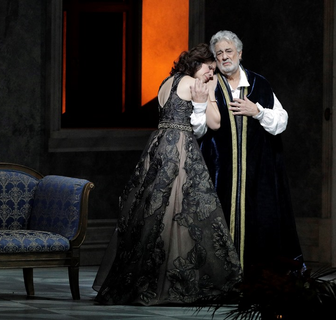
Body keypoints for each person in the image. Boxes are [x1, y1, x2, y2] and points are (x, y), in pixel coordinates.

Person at [93, 43, 242, 306]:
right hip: (180, 149)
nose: (211, 75)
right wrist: (207, 96)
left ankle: (147, 280)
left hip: (159, 147)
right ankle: (174, 283)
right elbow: (210, 125)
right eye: (209, 68)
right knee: (185, 213)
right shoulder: (194, 84)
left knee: (156, 214)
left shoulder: (167, 82)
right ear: (198, 64)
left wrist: (206, 94)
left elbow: (191, 118)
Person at [197, 30, 304, 273]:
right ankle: (221, 279)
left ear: (240, 53)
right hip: (218, 172)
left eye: (229, 51)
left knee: (259, 221)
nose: (225, 57)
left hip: (258, 173)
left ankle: (254, 278)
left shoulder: (259, 84)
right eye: (219, 53)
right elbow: (199, 128)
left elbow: (281, 121)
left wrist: (257, 111)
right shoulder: (209, 85)